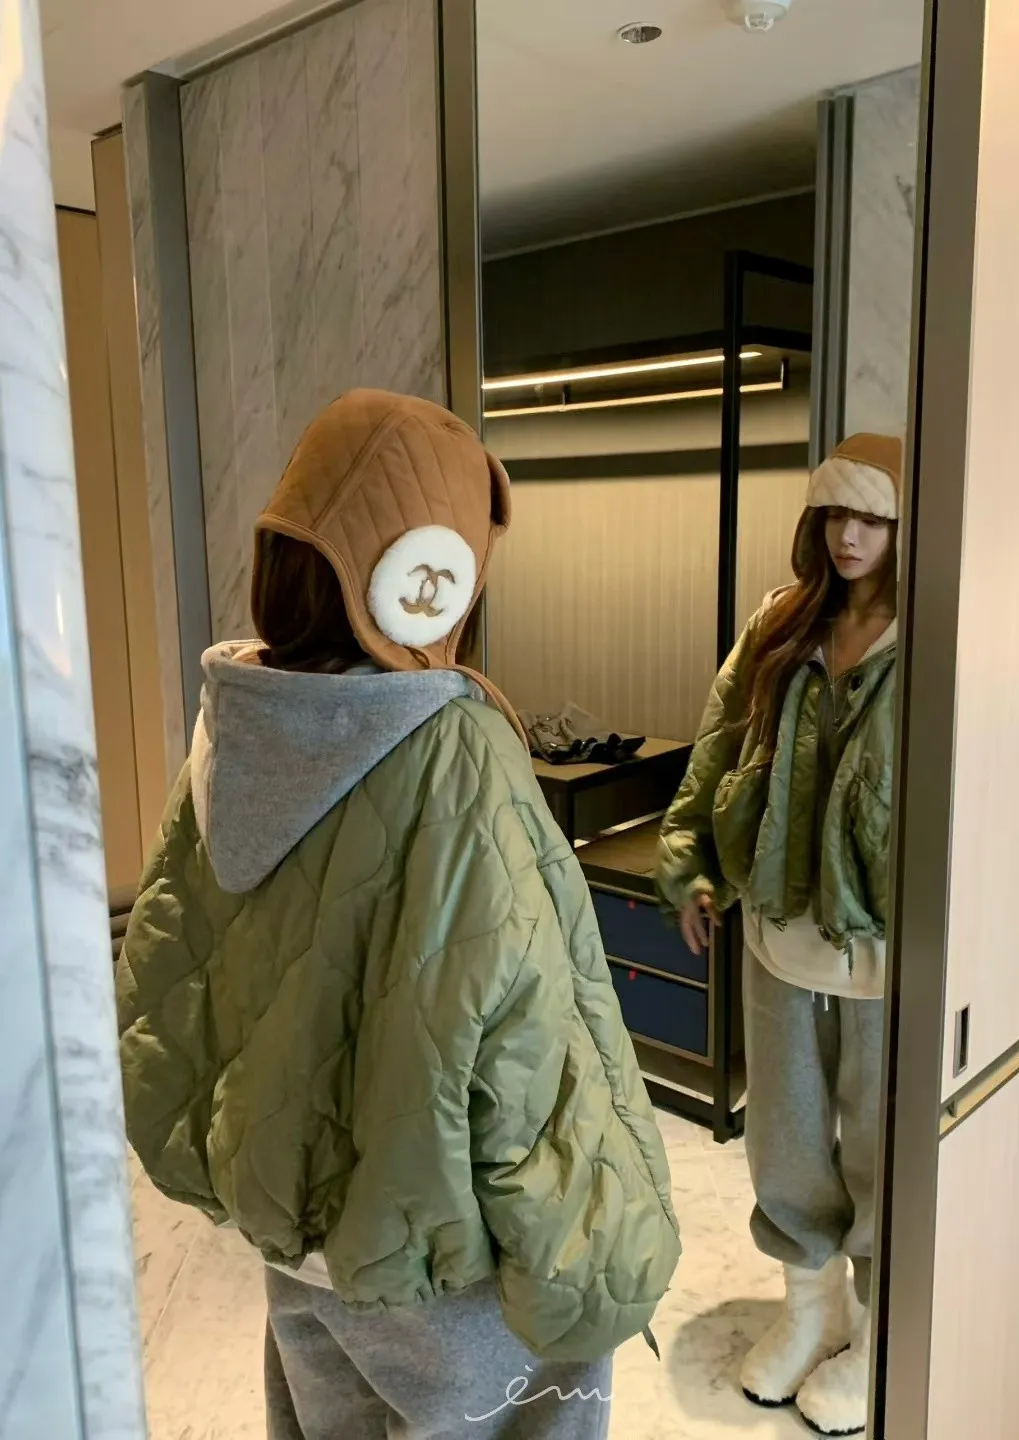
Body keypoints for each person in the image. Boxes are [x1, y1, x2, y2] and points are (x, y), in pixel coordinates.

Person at [118, 389, 681, 1440]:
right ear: (430, 576)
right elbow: (525, 1035)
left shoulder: (230, 728)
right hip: (433, 1251)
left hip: (299, 1245)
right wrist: (596, 1250)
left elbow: (162, 981)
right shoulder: (451, 751)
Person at [655, 434, 902, 1438]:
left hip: (886, 953)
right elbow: (717, 747)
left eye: (873, 517)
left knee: (882, 1152)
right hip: (778, 933)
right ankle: (812, 1313)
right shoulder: (779, 622)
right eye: (836, 513)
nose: (850, 536)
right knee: (788, 1140)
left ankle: (880, 1338)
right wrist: (689, 860)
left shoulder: (934, 636)